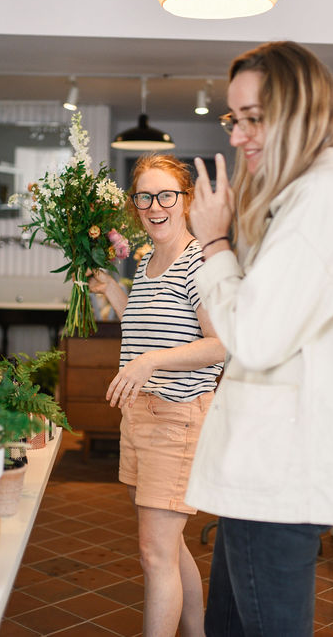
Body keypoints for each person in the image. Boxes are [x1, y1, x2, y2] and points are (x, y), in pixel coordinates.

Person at [185, 41, 333, 636]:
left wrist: (213, 243)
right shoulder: (304, 197)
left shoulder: (324, 201)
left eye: (253, 118)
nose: (237, 135)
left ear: (300, 112)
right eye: (236, 119)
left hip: (279, 469)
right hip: (265, 466)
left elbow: (253, 336)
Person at [88, 154, 225, 637]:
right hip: (139, 415)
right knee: (168, 548)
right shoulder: (146, 259)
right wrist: (112, 291)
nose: (155, 205)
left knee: (154, 552)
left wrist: (150, 363)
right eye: (144, 196)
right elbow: (146, 328)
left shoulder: (199, 263)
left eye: (166, 195)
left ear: (185, 200)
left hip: (178, 416)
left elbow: (221, 345)